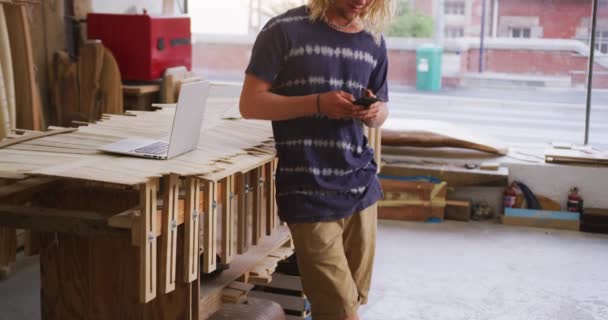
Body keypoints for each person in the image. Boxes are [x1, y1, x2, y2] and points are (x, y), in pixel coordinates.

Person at [240, 0, 393, 319]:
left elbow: (382, 108)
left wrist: (377, 112)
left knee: (351, 300)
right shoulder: (283, 31)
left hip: (361, 187)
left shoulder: (373, 41)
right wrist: (318, 103)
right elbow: (250, 104)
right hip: (308, 190)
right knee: (340, 309)